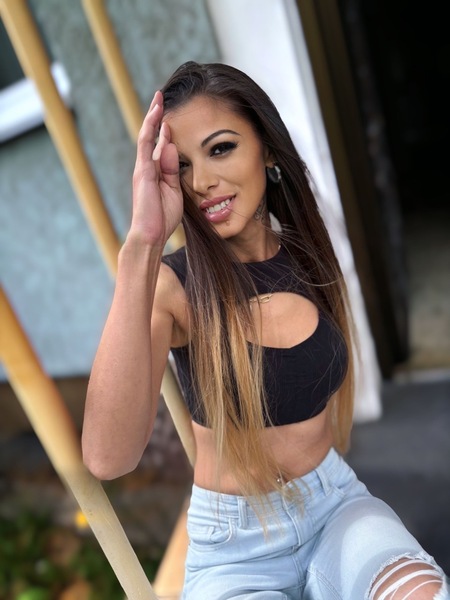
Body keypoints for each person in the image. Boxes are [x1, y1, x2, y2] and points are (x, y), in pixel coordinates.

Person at [81, 61, 448, 599]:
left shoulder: (307, 252)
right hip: (235, 546)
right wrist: (142, 244)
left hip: (336, 506)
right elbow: (107, 458)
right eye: (182, 166)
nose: (201, 182)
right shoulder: (172, 287)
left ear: (267, 150)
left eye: (221, 148)